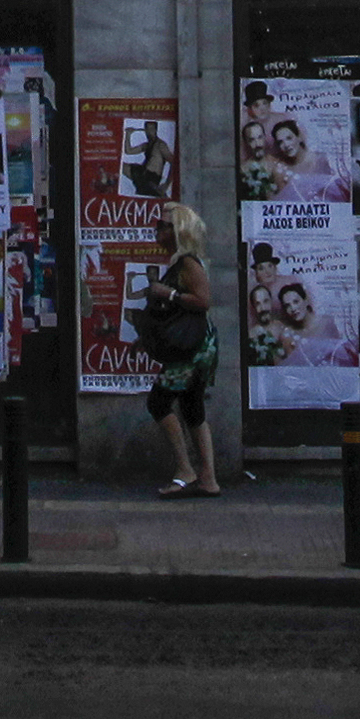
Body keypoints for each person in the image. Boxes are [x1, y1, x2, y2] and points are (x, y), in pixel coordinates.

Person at [138, 204, 222, 498]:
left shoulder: (187, 262)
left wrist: (168, 293)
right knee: (192, 408)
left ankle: (186, 469)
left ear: (177, 232)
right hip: (196, 346)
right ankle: (208, 479)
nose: (157, 230)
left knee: (159, 402)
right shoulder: (183, 261)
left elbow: (203, 300)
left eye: (163, 226)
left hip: (190, 349)